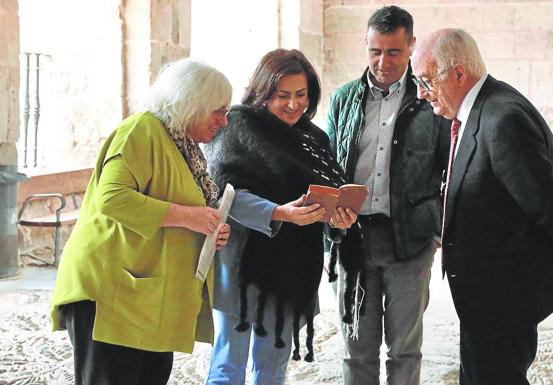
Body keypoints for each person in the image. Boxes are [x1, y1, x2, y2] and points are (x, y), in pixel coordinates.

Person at [412, 28, 553, 385]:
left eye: (425, 80)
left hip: (502, 296)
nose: (421, 93)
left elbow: (546, 203)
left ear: (458, 74)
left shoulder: (502, 118)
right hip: (485, 295)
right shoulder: (483, 108)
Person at [49, 58, 234, 385]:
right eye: (217, 110)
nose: (224, 120)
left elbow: (175, 207)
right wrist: (191, 217)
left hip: (149, 298)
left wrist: (207, 230)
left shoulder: (183, 145)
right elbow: (113, 198)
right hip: (113, 294)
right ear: (192, 104)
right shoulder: (141, 130)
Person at [203, 48, 363, 385]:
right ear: (263, 92)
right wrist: (279, 213)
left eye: (301, 94)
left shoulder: (314, 139)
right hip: (242, 264)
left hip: (291, 269)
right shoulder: (235, 125)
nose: (294, 104)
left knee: (273, 368)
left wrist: (336, 219)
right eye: (283, 95)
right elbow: (224, 195)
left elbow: (324, 197)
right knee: (228, 366)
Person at [326, 6, 451, 385]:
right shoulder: (343, 98)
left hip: (411, 240)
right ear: (365, 44)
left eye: (394, 52)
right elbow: (328, 167)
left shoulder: (432, 101)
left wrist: (438, 229)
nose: (383, 62)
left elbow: (450, 168)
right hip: (353, 239)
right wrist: (330, 220)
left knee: (405, 349)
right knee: (356, 350)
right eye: (375, 51)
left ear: (412, 45)